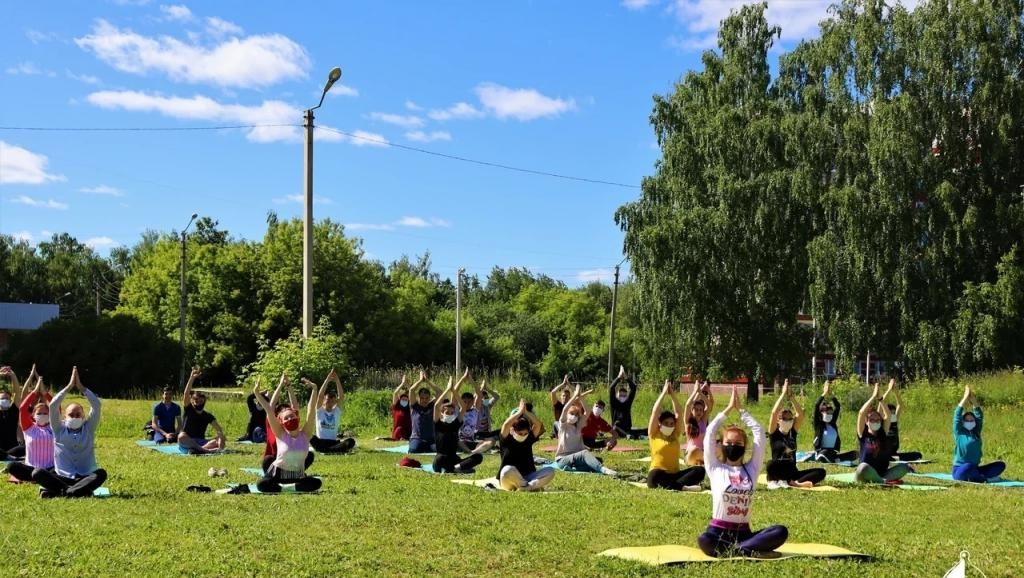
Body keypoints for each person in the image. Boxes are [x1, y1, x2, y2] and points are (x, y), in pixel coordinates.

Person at [697, 386, 788, 558]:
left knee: (780, 531)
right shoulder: (715, 468)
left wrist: (741, 411)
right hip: (718, 532)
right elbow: (709, 432)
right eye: (729, 442)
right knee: (704, 539)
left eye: (738, 443)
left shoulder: (752, 468)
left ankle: (740, 550)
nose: (733, 446)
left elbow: (759, 432)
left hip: (744, 533)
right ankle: (748, 551)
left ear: (745, 447)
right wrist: (727, 409)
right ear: (723, 445)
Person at [29, 367, 107, 498]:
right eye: (71, 414)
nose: (75, 417)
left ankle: (63, 492)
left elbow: (96, 405)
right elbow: (53, 405)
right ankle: (76, 491)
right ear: (64, 417)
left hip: (85, 477)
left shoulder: (88, 428)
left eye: (78, 414)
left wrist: (82, 388)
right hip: (63, 477)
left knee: (101, 474)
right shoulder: (59, 429)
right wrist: (69, 387)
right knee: (37, 473)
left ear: (83, 416)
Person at [248, 378, 322, 493]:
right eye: (286, 418)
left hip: (297, 475)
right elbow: (269, 409)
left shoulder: (305, 434)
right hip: (278, 474)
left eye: (292, 416)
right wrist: (257, 393)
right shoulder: (280, 434)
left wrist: (314, 389)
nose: (290, 419)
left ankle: (286, 488)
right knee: (262, 484)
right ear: (281, 422)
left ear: (297, 417)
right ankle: (292, 488)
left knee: (317, 483)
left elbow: (311, 411)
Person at [765, 380, 826, 489]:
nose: (787, 421)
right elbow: (774, 413)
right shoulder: (774, 433)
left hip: (792, 471)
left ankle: (793, 483)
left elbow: (800, 414)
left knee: (821, 472)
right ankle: (783, 481)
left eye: (790, 419)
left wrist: (791, 396)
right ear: (778, 421)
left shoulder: (792, 432)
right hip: (778, 470)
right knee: (770, 464)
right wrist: (783, 394)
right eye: (784, 418)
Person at [647, 380, 705, 491]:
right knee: (653, 479)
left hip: (675, 474)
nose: (669, 425)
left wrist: (672, 394)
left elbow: (679, 412)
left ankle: (677, 486)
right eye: (666, 423)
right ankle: (683, 487)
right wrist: (664, 393)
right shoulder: (654, 434)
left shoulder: (675, 434)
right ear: (660, 424)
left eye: (671, 423)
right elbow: (655, 411)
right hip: (659, 472)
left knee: (700, 470)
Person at [554, 385, 617, 476]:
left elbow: (587, 411)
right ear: (567, 414)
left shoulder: (578, 426)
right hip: (563, 459)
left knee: (597, 460)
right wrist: (575, 395)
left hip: (576, 457)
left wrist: (580, 397)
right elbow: (564, 410)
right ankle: (603, 469)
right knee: (585, 454)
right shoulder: (563, 425)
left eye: (576, 415)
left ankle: (572, 468)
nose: (574, 416)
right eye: (571, 413)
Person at [853, 383, 909, 484]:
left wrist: (880, 399)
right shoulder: (863, 433)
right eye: (872, 419)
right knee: (863, 467)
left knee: (905, 467)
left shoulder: (883, 432)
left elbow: (887, 414)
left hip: (882, 474)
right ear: (867, 421)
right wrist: (873, 397)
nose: (875, 421)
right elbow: (861, 413)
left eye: (877, 419)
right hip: (864, 475)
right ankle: (882, 482)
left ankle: (881, 480)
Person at [497, 399, 555, 491]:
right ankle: (526, 486)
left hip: (528, 477)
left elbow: (538, 424)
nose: (523, 436)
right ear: (513, 430)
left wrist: (526, 412)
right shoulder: (506, 438)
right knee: (507, 470)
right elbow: (507, 424)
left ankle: (527, 487)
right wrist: (520, 412)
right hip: (509, 479)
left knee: (550, 471)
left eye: (525, 433)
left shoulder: (529, 437)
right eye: (520, 433)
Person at [431, 372, 483, 474]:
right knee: (442, 459)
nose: (450, 414)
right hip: (440, 459)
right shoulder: (438, 424)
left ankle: (456, 468)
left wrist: (454, 390)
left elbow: (463, 407)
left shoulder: (456, 423)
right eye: (447, 412)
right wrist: (448, 389)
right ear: (442, 413)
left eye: (451, 412)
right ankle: (455, 468)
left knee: (478, 457)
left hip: (453, 458)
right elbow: (436, 406)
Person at [6, 372, 55, 482]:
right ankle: (38, 477)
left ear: (50, 415)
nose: (42, 415)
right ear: (33, 415)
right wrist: (34, 392)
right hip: (30, 468)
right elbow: (23, 408)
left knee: (59, 470)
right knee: (12, 466)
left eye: (45, 413)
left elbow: (55, 406)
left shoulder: (54, 427)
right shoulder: (29, 428)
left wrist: (45, 393)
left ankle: (39, 476)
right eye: (39, 413)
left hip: (50, 468)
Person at [952, 384, 1006, 482]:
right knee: (967, 467)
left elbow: (979, 415)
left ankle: (977, 476)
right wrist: (965, 397)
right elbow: (957, 414)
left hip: (975, 468)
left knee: (1000, 465)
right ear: (963, 422)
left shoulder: (976, 431)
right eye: (967, 420)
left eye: (971, 420)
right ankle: (985, 479)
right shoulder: (959, 432)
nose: (969, 422)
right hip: (960, 469)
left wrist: (972, 399)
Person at [177, 368, 226, 454]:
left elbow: (219, 430)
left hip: (201, 442)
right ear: (192, 401)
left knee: (218, 439)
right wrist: (192, 378)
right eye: (196, 401)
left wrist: (221, 438)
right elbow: (186, 394)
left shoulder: (208, 416)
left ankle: (198, 450)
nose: (198, 403)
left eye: (201, 401)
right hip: (187, 441)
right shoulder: (189, 409)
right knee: (181, 436)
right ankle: (205, 450)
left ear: (204, 401)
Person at [306, 370, 356, 453]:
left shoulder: (336, 411)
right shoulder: (319, 410)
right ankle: (333, 451)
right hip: (320, 442)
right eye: (327, 400)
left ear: (335, 402)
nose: (329, 402)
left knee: (351, 441)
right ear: (324, 401)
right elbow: (320, 395)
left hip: (333, 443)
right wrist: (327, 380)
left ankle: (329, 450)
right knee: (310, 436)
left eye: (332, 401)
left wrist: (337, 380)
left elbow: (341, 396)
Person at [811, 380, 856, 463]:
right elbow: (816, 405)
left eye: (831, 413)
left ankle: (835, 459)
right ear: (821, 413)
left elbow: (838, 406)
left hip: (832, 452)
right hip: (822, 452)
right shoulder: (818, 425)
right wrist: (824, 393)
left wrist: (831, 394)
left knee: (855, 454)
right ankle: (834, 460)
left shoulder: (832, 423)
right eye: (827, 413)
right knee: (823, 455)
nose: (829, 415)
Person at [881, 379, 922, 462]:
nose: (892, 415)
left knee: (918, 455)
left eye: (893, 413)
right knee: (891, 458)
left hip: (893, 451)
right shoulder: (883, 420)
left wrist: (895, 391)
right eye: (890, 413)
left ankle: (894, 457)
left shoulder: (895, 419)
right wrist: (889, 389)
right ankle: (891, 458)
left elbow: (900, 404)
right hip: (885, 451)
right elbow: (882, 402)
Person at [408, 371, 443, 453]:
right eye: (422, 398)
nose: (424, 400)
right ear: (418, 398)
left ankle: (427, 447)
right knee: (413, 450)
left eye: (426, 398)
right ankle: (423, 447)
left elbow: (440, 392)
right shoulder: (414, 406)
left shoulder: (432, 405)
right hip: (417, 437)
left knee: (440, 450)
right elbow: (411, 390)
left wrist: (427, 380)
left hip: (430, 439)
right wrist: (420, 380)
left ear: (429, 397)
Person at [609, 365, 645, 439]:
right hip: (617, 430)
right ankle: (627, 435)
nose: (622, 397)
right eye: (621, 395)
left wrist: (626, 378)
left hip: (627, 429)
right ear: (617, 395)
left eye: (624, 396)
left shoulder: (627, 403)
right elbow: (611, 388)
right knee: (616, 425)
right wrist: (619, 377)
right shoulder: (614, 403)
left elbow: (633, 388)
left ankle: (628, 434)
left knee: (645, 430)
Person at [683, 379, 713, 465]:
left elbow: (709, 405)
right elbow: (688, 405)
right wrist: (695, 391)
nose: (699, 412)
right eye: (696, 410)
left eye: (700, 410)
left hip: (703, 453)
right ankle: (703, 461)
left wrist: (701, 392)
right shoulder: (688, 422)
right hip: (691, 454)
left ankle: (703, 461)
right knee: (695, 450)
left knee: (718, 446)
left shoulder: (703, 421)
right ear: (692, 411)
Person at [0, 365, 27, 460]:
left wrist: (12, 375)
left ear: (10, 399)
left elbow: (17, 392)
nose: (4, 400)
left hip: (13, 449)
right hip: (0, 450)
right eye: (2, 398)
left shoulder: (13, 411)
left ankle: (9, 457)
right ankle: (8, 457)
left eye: (7, 398)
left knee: (25, 448)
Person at [389, 375, 412, 441]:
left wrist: (407, 385)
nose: (404, 401)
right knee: (399, 429)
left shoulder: (410, 409)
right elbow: (395, 393)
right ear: (400, 401)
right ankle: (400, 438)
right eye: (403, 400)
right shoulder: (396, 408)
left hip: (408, 433)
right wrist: (402, 383)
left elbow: (412, 392)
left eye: (406, 400)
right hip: (397, 433)